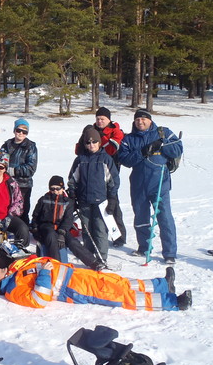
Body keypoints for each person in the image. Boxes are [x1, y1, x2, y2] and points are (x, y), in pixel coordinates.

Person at [0, 247, 192, 311]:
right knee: (120, 295)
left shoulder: (14, 272)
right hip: (73, 288)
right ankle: (173, 302)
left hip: (75, 275)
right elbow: (39, 299)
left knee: (117, 282)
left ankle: (162, 285)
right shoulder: (13, 291)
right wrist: (45, 273)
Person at [116, 109, 183, 264]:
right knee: (141, 216)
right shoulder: (129, 139)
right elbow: (124, 159)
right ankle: (144, 247)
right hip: (139, 183)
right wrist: (143, 152)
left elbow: (178, 149)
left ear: (150, 120)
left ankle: (169, 253)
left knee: (164, 217)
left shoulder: (163, 133)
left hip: (160, 183)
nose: (140, 122)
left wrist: (161, 145)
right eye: (137, 119)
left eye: (143, 119)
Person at [75, 107, 127, 246]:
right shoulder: (90, 130)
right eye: (98, 119)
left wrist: (98, 140)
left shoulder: (115, 131)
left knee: (112, 204)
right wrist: (84, 138)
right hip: (90, 170)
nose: (100, 121)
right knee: (92, 207)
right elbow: (79, 150)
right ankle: (95, 234)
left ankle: (119, 236)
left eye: (102, 119)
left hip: (108, 170)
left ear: (109, 119)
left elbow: (112, 148)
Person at [68, 127, 119, 264]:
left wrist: (112, 199)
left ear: (99, 143)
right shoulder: (80, 160)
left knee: (100, 229)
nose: (91, 145)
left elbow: (113, 181)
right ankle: (89, 256)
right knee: (87, 230)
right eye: (88, 143)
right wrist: (72, 195)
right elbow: (73, 179)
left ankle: (102, 257)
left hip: (101, 201)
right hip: (84, 201)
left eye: (94, 142)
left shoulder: (105, 159)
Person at [30, 176, 104, 271]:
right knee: (51, 237)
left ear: (63, 188)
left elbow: (68, 219)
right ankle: (57, 264)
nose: (55, 191)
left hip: (61, 227)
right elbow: (35, 216)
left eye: (58, 188)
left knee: (72, 242)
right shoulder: (43, 199)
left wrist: (62, 232)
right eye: (52, 188)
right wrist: (35, 229)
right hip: (46, 226)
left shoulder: (68, 202)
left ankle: (94, 263)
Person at [0, 118, 38, 225]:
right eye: (19, 130)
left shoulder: (31, 147)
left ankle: (23, 230)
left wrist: (14, 171)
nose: (21, 133)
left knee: (22, 210)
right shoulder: (7, 145)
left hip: (23, 185)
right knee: (6, 208)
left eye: (24, 132)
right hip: (7, 183)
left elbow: (31, 168)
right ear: (14, 130)